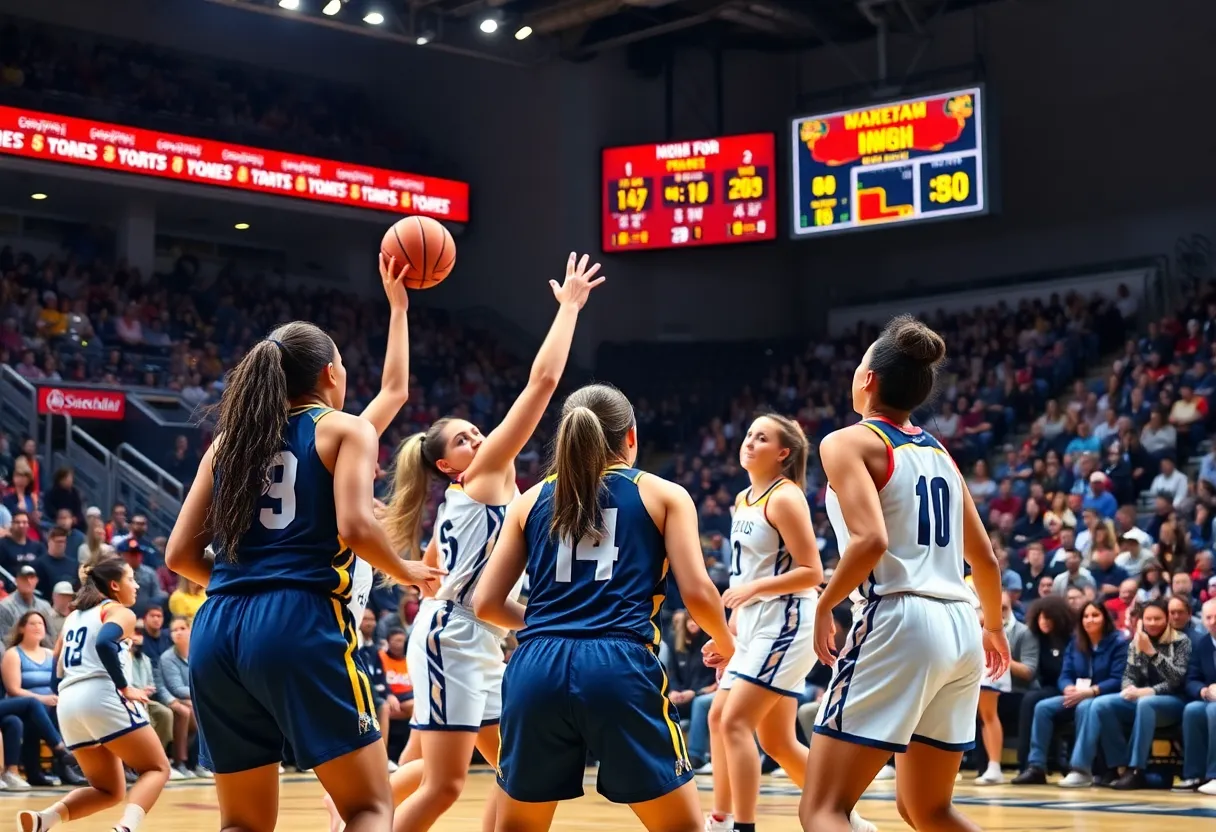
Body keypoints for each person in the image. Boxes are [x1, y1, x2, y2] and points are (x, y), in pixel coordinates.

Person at [165, 306, 444, 830]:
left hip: (218, 624)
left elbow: (179, 555)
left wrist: (246, 585)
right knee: (368, 805)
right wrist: (406, 569)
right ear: (331, 374)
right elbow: (359, 528)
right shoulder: (345, 430)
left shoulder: (229, 442)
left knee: (242, 822)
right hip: (300, 618)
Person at [377, 252, 603, 832]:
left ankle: (363, 800)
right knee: (446, 783)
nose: (477, 439)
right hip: (454, 635)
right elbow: (544, 383)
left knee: (515, 767)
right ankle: (363, 807)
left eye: (476, 431)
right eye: (462, 440)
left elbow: (432, 563)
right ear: (451, 467)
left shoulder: (476, 492)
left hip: (474, 633)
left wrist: (422, 577)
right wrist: (569, 308)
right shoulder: (479, 482)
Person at [473, 382, 735, 832]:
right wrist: (725, 641)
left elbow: (486, 604)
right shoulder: (663, 494)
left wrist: (545, 626)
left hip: (535, 667)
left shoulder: (529, 500)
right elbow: (697, 592)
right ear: (630, 437)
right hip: (618, 664)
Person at [799, 315, 1010, 832]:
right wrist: (995, 628)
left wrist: (826, 604)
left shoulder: (846, 442)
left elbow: (872, 541)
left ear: (867, 379)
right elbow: (984, 557)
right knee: (927, 809)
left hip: (899, 619)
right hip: (962, 625)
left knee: (822, 809)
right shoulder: (941, 453)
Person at [705, 415, 873, 832]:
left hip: (786, 621)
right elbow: (743, 579)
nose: (749, 442)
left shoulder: (785, 497)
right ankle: (844, 816)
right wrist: (727, 634)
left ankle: (735, 824)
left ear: (783, 453)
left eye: (760, 437)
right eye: (747, 434)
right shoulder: (744, 498)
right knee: (774, 740)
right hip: (754, 622)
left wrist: (753, 591)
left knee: (732, 721)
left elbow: (812, 571)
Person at [18, 556, 171, 832]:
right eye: (130, 579)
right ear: (114, 585)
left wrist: (69, 696)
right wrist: (125, 687)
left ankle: (44, 820)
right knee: (157, 768)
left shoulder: (72, 618)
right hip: (101, 693)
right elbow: (104, 642)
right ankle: (125, 829)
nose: (136, 586)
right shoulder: (118, 611)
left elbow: (56, 666)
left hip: (69, 702)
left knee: (109, 790)